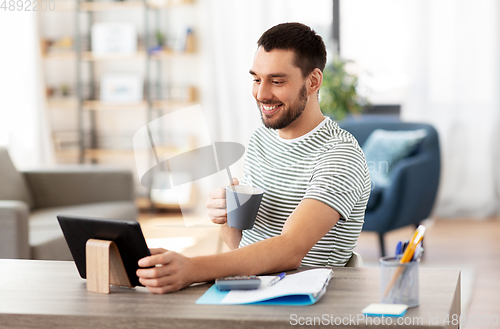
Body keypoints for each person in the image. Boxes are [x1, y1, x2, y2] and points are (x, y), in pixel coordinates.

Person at [136, 22, 371, 294]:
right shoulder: (262, 138)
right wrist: (225, 217)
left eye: (277, 81)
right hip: (250, 285)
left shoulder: (340, 154)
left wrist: (192, 268)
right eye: (257, 79)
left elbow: (289, 250)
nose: (261, 94)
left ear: (313, 81)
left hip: (303, 298)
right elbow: (242, 245)